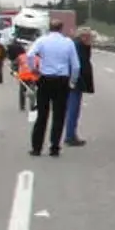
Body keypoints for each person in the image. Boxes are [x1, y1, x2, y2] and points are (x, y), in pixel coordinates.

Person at [26, 19, 80, 157]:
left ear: (49, 28)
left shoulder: (42, 41)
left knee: (42, 115)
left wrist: (34, 70)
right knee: (59, 115)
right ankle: (54, 147)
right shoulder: (68, 43)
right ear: (61, 28)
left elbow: (30, 55)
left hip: (45, 79)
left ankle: (37, 148)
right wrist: (72, 81)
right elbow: (76, 66)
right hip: (62, 80)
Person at [64, 27, 95, 147]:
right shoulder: (78, 47)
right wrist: (73, 81)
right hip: (75, 81)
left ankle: (71, 134)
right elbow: (77, 65)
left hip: (75, 80)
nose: (91, 39)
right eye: (89, 37)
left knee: (73, 109)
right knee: (73, 109)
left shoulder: (79, 45)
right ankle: (70, 135)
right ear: (83, 37)